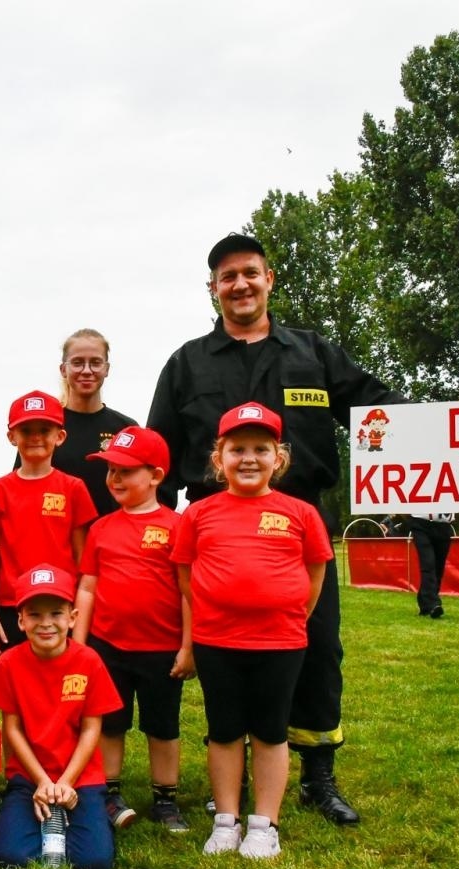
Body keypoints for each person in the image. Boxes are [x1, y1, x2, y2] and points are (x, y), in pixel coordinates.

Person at [147, 232, 404, 826]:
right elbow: (160, 451)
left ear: (270, 280)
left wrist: (454, 420)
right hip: (214, 533)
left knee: (316, 649)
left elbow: (379, 408)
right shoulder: (186, 363)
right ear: (212, 290)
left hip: (300, 526)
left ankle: (318, 776)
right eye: (228, 276)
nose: (240, 284)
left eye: (250, 273)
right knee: (224, 658)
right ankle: (229, 784)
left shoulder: (313, 353)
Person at [173, 404, 332, 860]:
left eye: (260, 449)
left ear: (278, 458)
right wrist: (212, 608)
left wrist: (290, 613)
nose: (249, 458)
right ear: (217, 458)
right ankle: (226, 819)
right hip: (217, 639)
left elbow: (315, 570)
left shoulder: (299, 513)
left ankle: (264, 823)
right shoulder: (200, 513)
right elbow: (185, 573)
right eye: (236, 449)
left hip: (280, 641)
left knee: (270, 731)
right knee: (222, 730)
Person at [71, 426, 193, 833]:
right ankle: (108, 793)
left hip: (161, 648)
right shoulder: (102, 529)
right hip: (109, 647)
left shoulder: (177, 525)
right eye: (110, 472)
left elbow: (187, 592)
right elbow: (87, 587)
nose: (115, 480)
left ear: (156, 476)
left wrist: (188, 646)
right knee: (110, 723)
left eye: (126, 471)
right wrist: (80, 645)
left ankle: (165, 799)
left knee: (162, 726)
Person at [0, 566, 117, 869]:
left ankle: (90, 812)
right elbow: (13, 728)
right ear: (20, 620)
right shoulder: (8, 665)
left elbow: (91, 728)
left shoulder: (89, 661)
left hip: (80, 776)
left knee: (94, 862)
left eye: (56, 613)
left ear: (72, 617)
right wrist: (43, 782)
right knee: (12, 857)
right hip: (30, 775)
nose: (46, 624)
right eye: (34, 615)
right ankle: (25, 810)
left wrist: (66, 782)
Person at [0, 390, 96, 655]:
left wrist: (77, 609)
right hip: (12, 606)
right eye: (26, 430)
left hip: (59, 603)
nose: (35, 437)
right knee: (18, 682)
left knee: (59, 680)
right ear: (12, 437)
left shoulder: (73, 488)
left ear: (60, 436)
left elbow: (83, 558)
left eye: (44, 430)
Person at [45, 328, 138, 522]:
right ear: (63, 369)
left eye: (95, 363)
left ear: (107, 369)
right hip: (58, 543)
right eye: (78, 363)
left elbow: (142, 492)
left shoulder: (126, 429)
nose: (87, 371)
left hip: (112, 543)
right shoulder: (45, 427)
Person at [407, 513, 455, 619]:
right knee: (428, 564)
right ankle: (433, 604)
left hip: (444, 524)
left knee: (438, 567)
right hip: (421, 522)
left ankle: (425, 604)